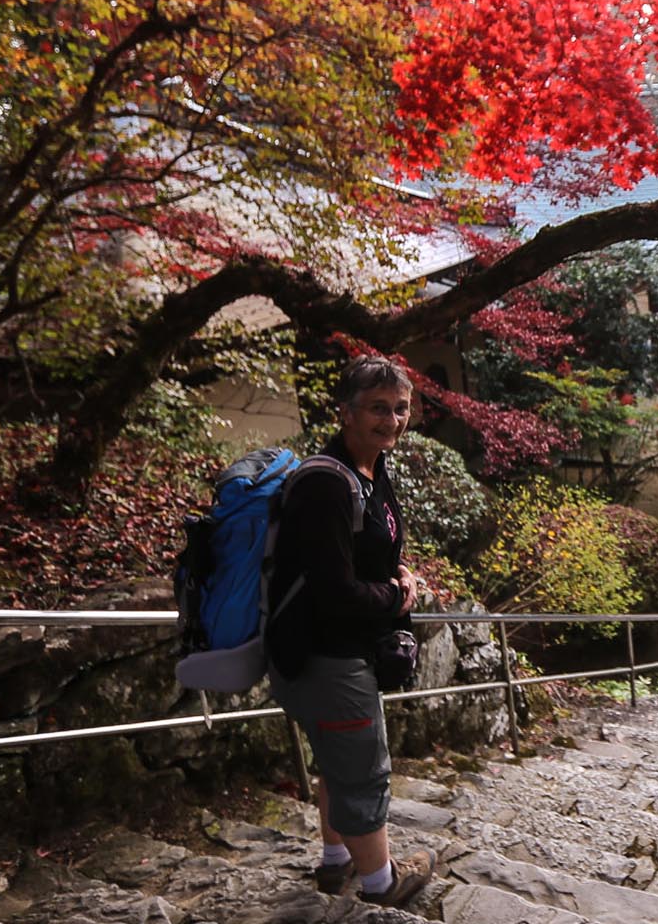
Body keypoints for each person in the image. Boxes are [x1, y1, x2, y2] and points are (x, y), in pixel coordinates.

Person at [266, 356, 437, 907]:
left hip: (331, 654)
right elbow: (332, 590)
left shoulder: (369, 469)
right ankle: (381, 884)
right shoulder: (325, 483)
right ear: (345, 412)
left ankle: (336, 860)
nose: (392, 420)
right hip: (326, 656)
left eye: (401, 408)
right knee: (363, 772)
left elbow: (364, 554)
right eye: (378, 409)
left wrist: (396, 572)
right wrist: (397, 595)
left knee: (335, 760)